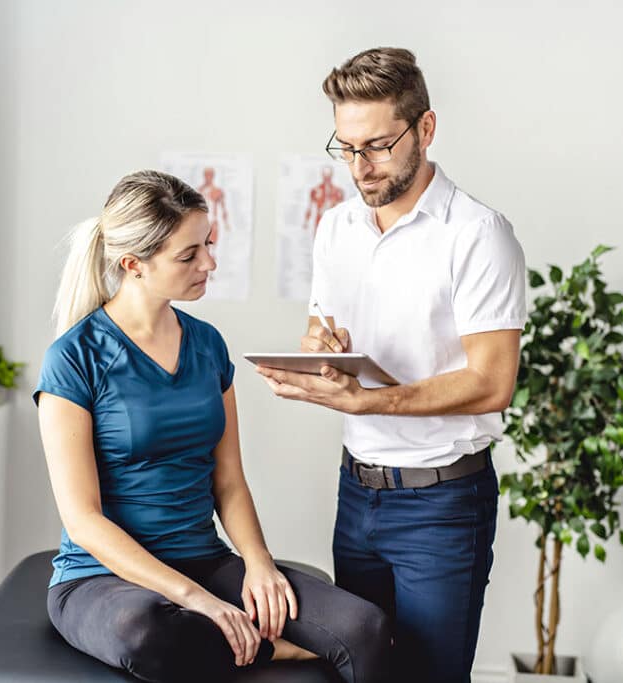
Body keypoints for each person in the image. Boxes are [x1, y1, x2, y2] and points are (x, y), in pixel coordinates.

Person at [34, 170, 392, 683]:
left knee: (365, 628)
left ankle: (239, 629)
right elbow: (84, 519)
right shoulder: (73, 359)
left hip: (203, 557)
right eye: (189, 255)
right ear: (133, 264)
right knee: (146, 631)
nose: (209, 263)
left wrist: (259, 563)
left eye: (209, 244)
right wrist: (197, 599)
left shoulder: (207, 346)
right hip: (102, 577)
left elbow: (228, 481)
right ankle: (274, 651)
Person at [255, 48, 527, 682]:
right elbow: (322, 327)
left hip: (442, 501)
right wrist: (321, 350)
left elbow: (492, 382)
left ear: (425, 129)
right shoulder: (336, 227)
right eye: (346, 148)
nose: (360, 166)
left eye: (377, 146)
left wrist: (369, 401)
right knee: (360, 670)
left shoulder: (479, 234)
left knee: (428, 674)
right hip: (358, 493)